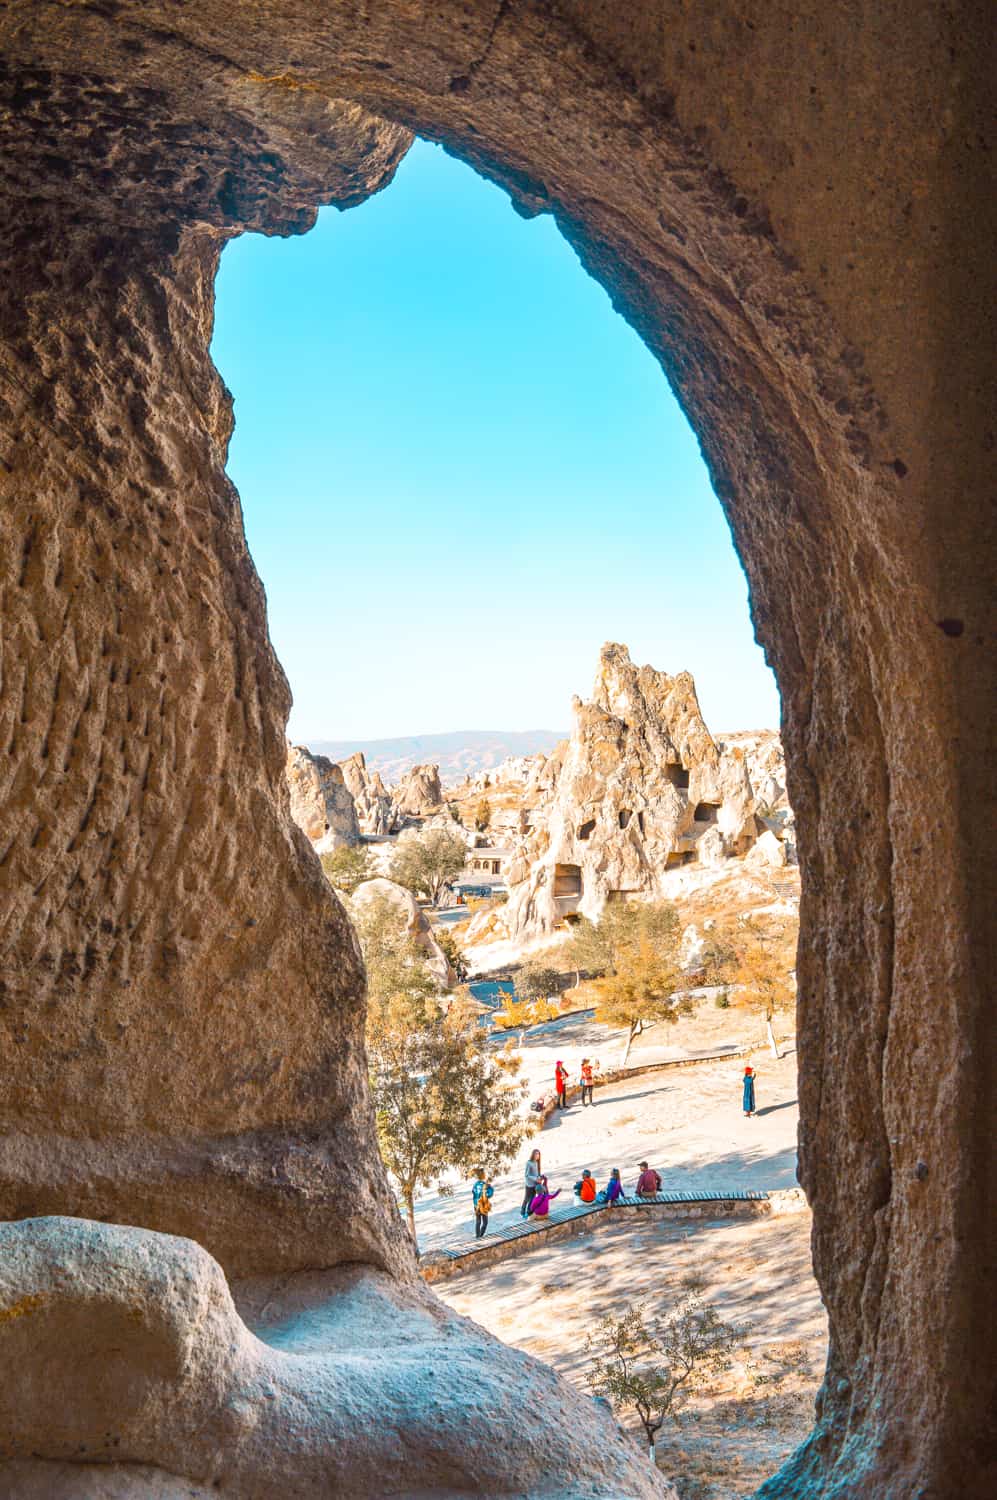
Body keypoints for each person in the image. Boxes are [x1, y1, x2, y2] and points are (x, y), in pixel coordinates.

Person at [521, 1148, 542, 1217]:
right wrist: (535, 1179)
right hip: (529, 1184)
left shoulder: (537, 1162)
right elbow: (526, 1175)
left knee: (533, 1199)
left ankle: (529, 1212)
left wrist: (539, 1177)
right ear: (533, 1154)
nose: (537, 1155)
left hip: (535, 1184)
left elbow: (537, 1173)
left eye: (538, 1154)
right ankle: (522, 1211)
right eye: (536, 1154)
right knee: (527, 1198)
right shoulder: (529, 1163)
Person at [472, 1172, 493, 1238]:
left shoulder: (476, 1185)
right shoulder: (485, 1185)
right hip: (482, 1205)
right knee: (484, 1222)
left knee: (479, 1222)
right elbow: (490, 1193)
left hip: (478, 1205)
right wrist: (486, 1195)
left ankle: (478, 1236)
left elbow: (474, 1193)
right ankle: (480, 1236)